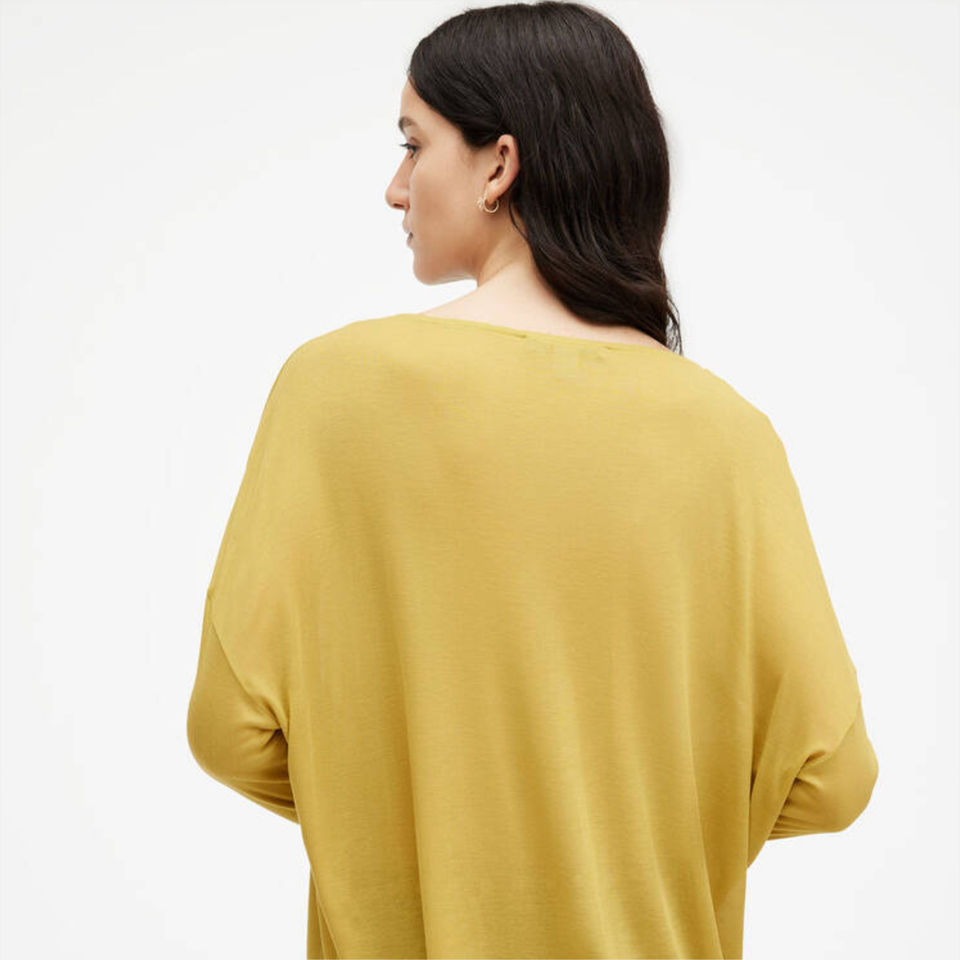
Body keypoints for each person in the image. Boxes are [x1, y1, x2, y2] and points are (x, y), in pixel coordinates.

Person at [186, 3, 879, 958]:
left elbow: (230, 728)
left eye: (414, 144)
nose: (396, 187)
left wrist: (408, 813)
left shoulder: (337, 391)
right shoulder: (730, 436)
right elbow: (834, 778)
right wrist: (630, 834)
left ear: (499, 165)